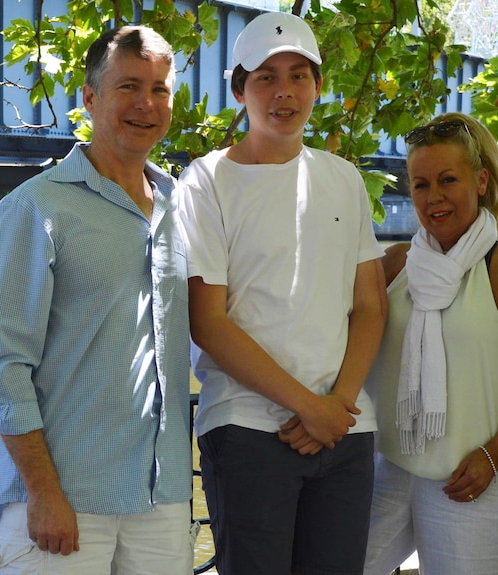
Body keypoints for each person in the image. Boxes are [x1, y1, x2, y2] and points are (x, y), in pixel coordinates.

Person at [0, 26, 195, 574]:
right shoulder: (34, 208)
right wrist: (42, 493)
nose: (147, 103)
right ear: (90, 97)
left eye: (160, 89)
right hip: (63, 498)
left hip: (160, 496)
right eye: (128, 86)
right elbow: (4, 368)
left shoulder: (180, 206)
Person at [176, 11, 387, 575]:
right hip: (246, 429)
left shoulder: (342, 178)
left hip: (345, 430)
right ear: (240, 89)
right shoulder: (206, 180)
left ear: (318, 86)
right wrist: (308, 407)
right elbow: (209, 322)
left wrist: (336, 405)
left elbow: (369, 305)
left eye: (298, 75)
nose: (284, 91)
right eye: (265, 77)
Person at [362, 112, 498, 575]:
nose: (433, 197)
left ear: (480, 182)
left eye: (447, 180)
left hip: (475, 478)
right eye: (420, 184)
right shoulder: (395, 264)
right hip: (391, 467)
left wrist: (490, 458)